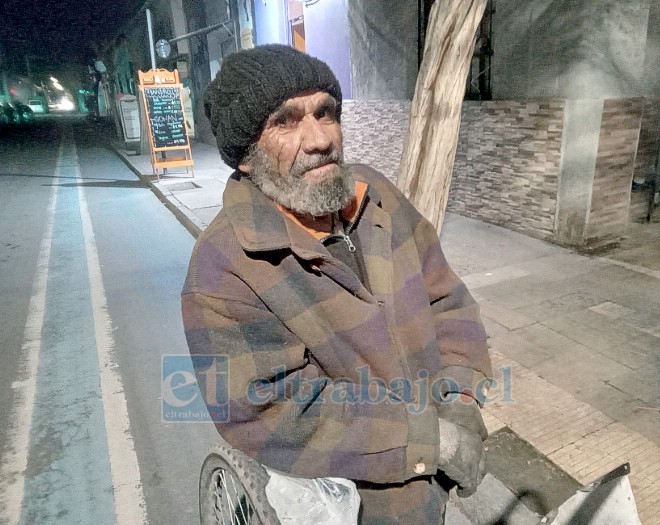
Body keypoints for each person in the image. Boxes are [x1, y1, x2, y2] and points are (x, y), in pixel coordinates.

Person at [181, 44, 493, 524]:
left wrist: (462, 397)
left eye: (325, 113)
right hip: (361, 506)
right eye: (285, 122)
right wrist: (433, 439)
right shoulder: (224, 268)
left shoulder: (376, 194)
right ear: (246, 157)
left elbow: (446, 299)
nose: (319, 138)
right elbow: (273, 413)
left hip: (432, 487)